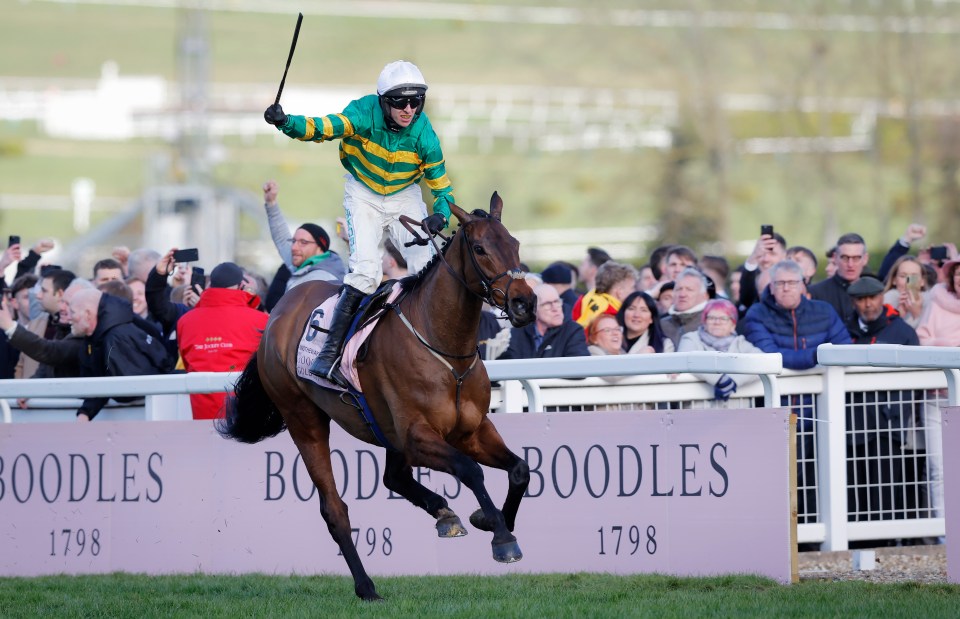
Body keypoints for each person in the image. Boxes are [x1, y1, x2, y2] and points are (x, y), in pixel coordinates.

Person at [264, 60, 455, 387]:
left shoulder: (426, 136)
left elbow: (443, 189)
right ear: (383, 100)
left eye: (416, 101)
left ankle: (440, 345)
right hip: (363, 192)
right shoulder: (362, 113)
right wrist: (286, 123)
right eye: (399, 101)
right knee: (366, 271)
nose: (409, 109)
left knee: (428, 266)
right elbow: (321, 128)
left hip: (404, 196)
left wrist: (441, 213)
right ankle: (331, 352)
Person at [843, 275, 919, 525]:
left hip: (888, 425)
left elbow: (915, 382)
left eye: (873, 298)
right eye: (861, 299)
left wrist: (896, 414)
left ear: (882, 297)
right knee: (854, 488)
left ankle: (886, 543)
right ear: (853, 302)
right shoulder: (844, 330)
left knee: (885, 488)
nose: (868, 305)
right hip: (853, 425)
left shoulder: (902, 331)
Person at [175, 262, 269, 420]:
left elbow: (187, 362)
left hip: (202, 415)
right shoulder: (262, 320)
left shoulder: (185, 321)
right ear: (241, 286)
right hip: (248, 417)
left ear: (210, 285)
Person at [68, 289, 172, 421]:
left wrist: (87, 410)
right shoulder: (96, 338)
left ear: (88, 314)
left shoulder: (116, 338)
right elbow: (102, 381)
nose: (69, 318)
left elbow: (133, 388)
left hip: (150, 417)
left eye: (72, 312)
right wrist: (86, 412)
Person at [914, 259, 960, 531]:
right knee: (939, 468)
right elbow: (922, 340)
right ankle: (943, 531)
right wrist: (952, 345)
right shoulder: (937, 304)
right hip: (937, 397)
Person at [262, 180, 346, 290]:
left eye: (303, 242)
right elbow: (281, 238)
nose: (294, 247)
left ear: (320, 248)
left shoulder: (323, 278)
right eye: (293, 241)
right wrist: (271, 203)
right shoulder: (304, 263)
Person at [677, 298, 762, 402]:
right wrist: (719, 379)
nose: (717, 322)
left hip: (737, 411)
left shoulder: (740, 343)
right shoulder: (691, 339)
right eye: (712, 318)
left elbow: (761, 362)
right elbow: (687, 359)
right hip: (698, 409)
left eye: (723, 318)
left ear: (733, 325)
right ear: (704, 322)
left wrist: (733, 380)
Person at [497, 284, 588, 360]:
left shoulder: (573, 330)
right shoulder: (518, 332)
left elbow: (580, 368)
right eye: (547, 304)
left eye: (557, 301)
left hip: (555, 382)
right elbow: (505, 366)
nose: (555, 308)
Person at [809, 233, 870, 325]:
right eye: (845, 258)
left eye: (856, 258)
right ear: (835, 257)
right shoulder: (815, 293)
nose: (850, 264)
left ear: (865, 259)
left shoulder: (873, 293)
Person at [573, 261, 638, 329]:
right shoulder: (613, 316)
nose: (635, 291)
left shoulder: (584, 300)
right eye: (632, 287)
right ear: (619, 292)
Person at [659, 267, 710, 349]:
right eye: (679, 289)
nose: (682, 294)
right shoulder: (661, 324)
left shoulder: (709, 323)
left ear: (704, 296)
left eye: (689, 289)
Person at [881, 256, 927, 329]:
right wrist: (897, 316)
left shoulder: (932, 304)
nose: (908, 282)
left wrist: (917, 314)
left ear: (922, 281)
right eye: (903, 276)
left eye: (913, 277)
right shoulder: (883, 304)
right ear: (894, 280)